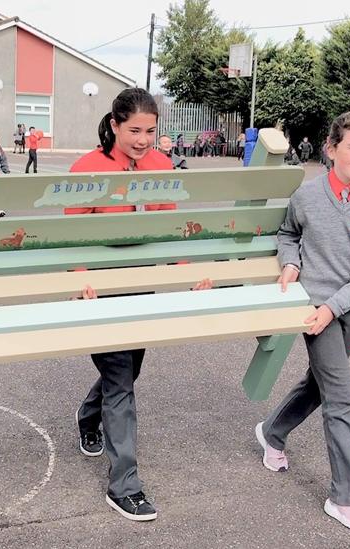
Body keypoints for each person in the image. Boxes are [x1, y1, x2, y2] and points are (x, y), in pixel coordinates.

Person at [69, 88, 211, 523]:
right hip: (101, 289)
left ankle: (88, 417)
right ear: (114, 125)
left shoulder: (162, 165)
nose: (143, 139)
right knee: (119, 379)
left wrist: (189, 270)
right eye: (134, 130)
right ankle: (124, 485)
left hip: (141, 284)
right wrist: (81, 278)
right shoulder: (88, 168)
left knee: (130, 370)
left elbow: (170, 222)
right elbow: (65, 233)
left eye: (150, 131)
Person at [256, 110, 350, 532]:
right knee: (342, 398)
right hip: (315, 310)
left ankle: (273, 432)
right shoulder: (308, 196)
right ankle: (346, 497)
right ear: (331, 149)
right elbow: (288, 234)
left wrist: (338, 306)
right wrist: (290, 263)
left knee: (321, 382)